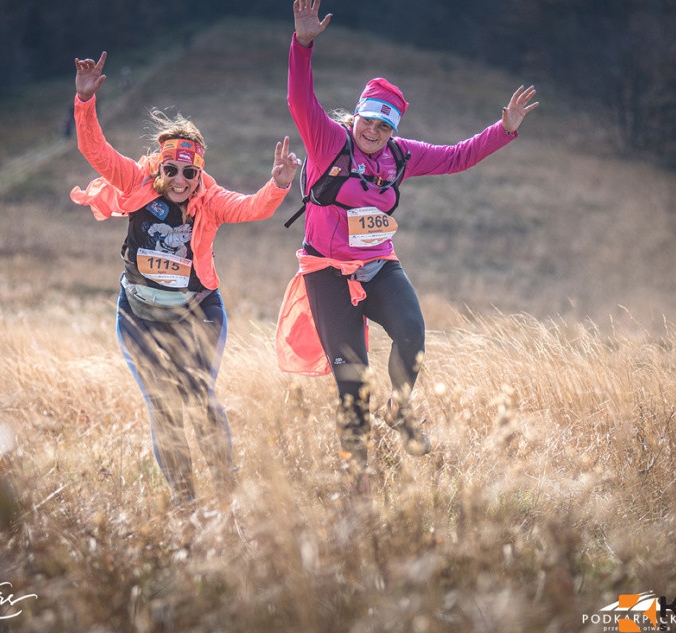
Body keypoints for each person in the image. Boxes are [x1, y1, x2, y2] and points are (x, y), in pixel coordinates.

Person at [276, 0, 539, 492]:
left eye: (383, 125)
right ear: (356, 116)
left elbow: (458, 157)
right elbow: (299, 99)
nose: (372, 131)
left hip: (377, 264)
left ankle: (398, 411)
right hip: (326, 270)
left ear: (393, 129)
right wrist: (303, 44)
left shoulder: (402, 156)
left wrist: (504, 131)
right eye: (368, 120)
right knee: (352, 384)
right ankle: (358, 480)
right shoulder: (328, 141)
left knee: (412, 333)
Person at [70, 51, 301, 507]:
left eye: (189, 172)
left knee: (197, 393)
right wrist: (84, 101)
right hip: (138, 316)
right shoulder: (135, 182)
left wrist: (277, 185)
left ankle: (225, 490)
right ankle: (187, 504)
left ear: (199, 173)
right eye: (171, 170)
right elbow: (94, 150)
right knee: (164, 406)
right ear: (160, 166)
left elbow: (253, 207)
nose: (179, 180)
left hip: (198, 313)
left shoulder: (211, 201)